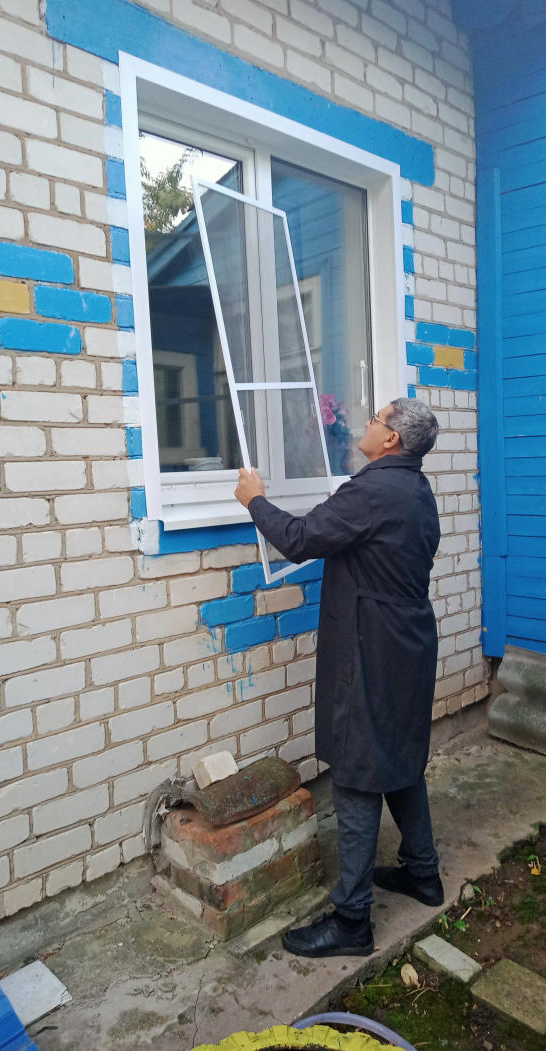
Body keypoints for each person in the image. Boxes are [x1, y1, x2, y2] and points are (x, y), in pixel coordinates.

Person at [234, 397, 444, 959]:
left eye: (376, 419)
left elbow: (299, 539)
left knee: (356, 769)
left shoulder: (373, 492)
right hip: (409, 644)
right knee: (399, 758)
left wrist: (254, 499)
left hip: (372, 649)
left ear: (392, 439)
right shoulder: (415, 489)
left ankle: (352, 919)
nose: (367, 424)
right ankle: (422, 873)